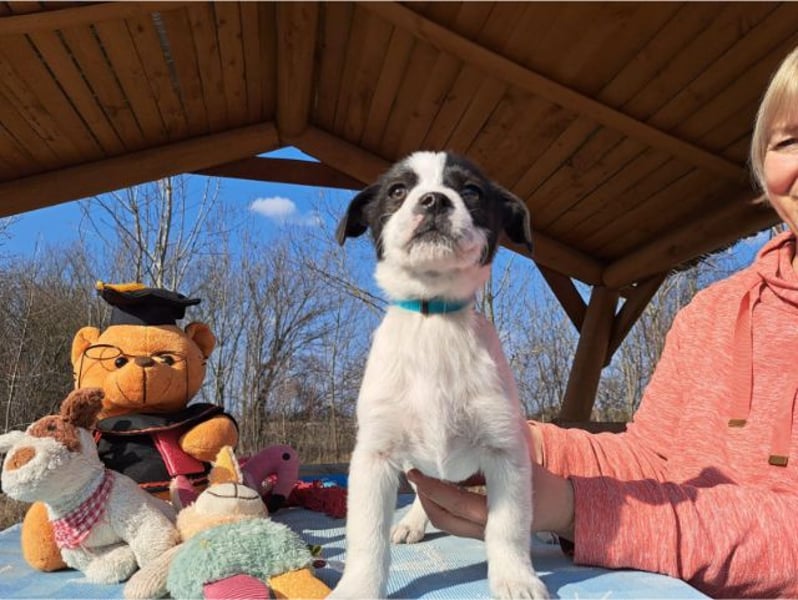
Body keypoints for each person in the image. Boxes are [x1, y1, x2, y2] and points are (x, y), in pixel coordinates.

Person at [408, 45, 798, 599]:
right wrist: (520, 442)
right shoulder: (709, 314)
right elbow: (652, 460)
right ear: (762, 162)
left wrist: (579, 509)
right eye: (790, 140)